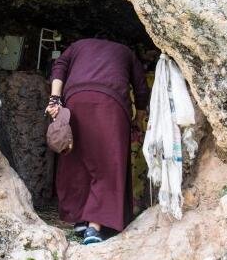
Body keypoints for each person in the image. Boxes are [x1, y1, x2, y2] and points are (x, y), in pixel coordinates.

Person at [45, 37, 149, 244]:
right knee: (107, 163)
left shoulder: (77, 46)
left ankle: (79, 218)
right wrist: (141, 112)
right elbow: (140, 85)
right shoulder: (125, 51)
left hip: (75, 99)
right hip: (111, 103)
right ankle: (95, 226)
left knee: (74, 158)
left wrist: (55, 99)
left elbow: (59, 67)